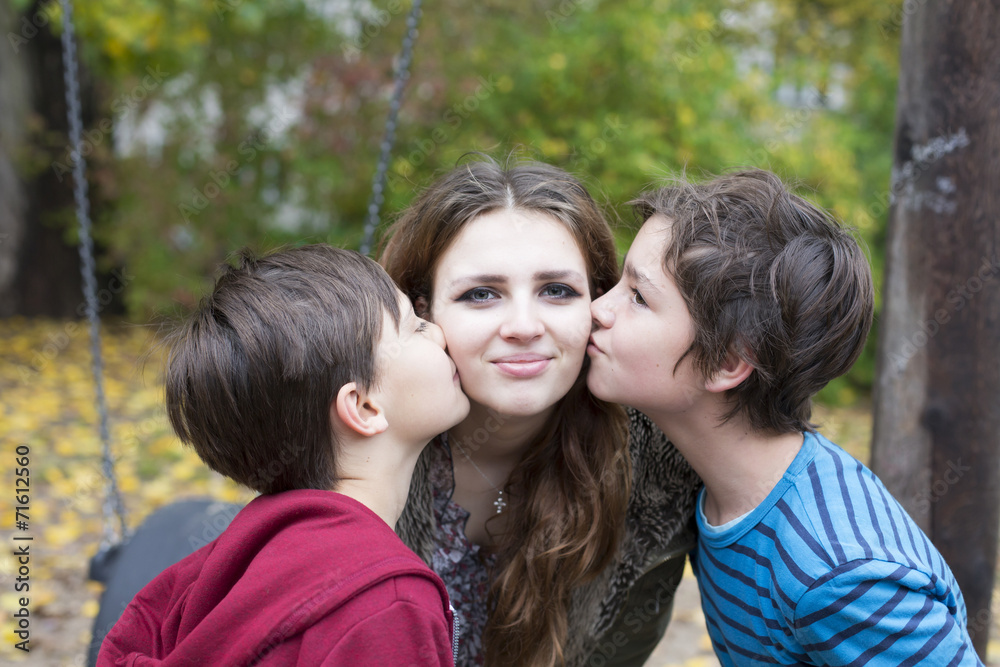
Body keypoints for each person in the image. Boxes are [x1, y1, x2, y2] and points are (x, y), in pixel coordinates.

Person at [587, 169, 984, 665]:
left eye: (639, 298)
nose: (597, 309)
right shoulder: (719, 491)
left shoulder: (842, 576)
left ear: (729, 363)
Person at [380, 156, 701, 667]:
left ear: (598, 303)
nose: (524, 326)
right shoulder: (358, 437)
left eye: (557, 290)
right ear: (423, 311)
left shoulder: (658, 463)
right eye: (481, 294)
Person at [98, 245, 469, 666]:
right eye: (415, 327)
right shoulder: (387, 603)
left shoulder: (229, 563)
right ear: (364, 407)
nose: (438, 332)